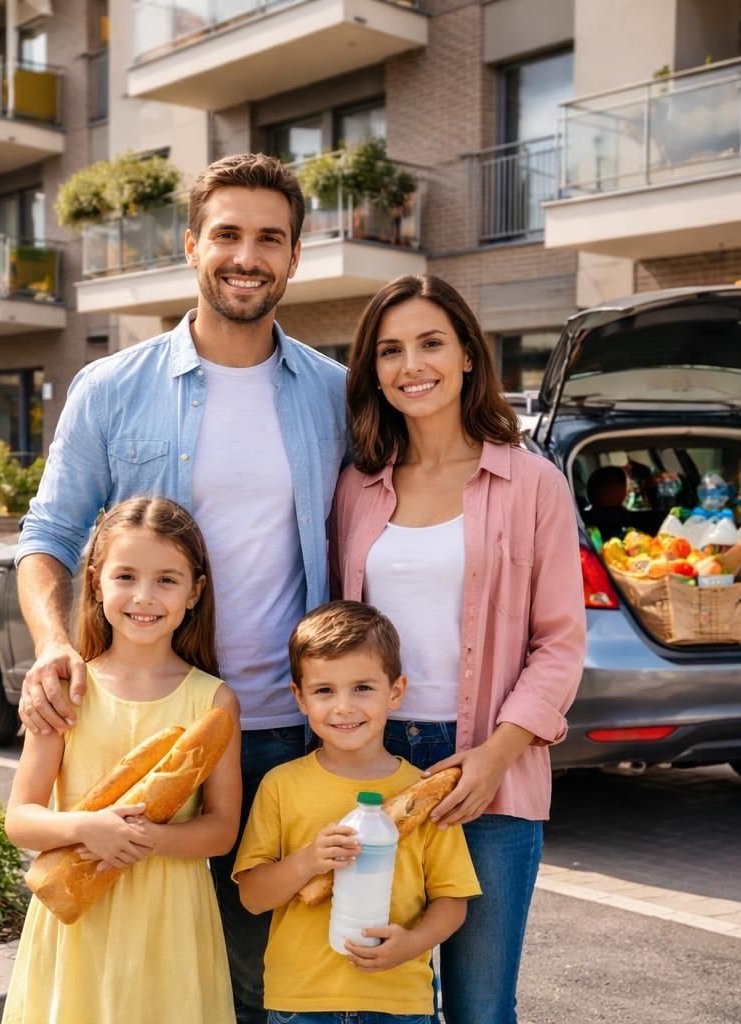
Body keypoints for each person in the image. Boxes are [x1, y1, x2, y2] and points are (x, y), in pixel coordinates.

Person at [14, 153, 348, 1023]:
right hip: (145, 735)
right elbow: (48, 538)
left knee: (268, 985)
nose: (247, 256)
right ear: (192, 245)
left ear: (296, 255)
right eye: (227, 234)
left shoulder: (334, 395)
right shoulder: (110, 388)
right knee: (139, 969)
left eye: (270, 238)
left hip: (287, 732)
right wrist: (53, 646)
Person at [329, 273, 586, 1024]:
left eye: (431, 343)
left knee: (480, 1005)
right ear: (373, 369)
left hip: (490, 770)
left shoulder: (533, 483)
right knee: (382, 997)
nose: (412, 365)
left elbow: (561, 642)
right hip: (375, 769)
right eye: (390, 350)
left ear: (468, 354)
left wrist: (496, 757)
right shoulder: (356, 486)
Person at [3, 497, 242, 1024]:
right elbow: (20, 818)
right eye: (126, 576)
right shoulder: (66, 690)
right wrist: (88, 828)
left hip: (169, 921)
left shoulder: (213, 701)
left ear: (195, 591)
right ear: (95, 582)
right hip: (78, 923)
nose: (144, 596)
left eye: (166, 580)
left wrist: (143, 839)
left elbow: (222, 829)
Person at [234, 601, 481, 1024]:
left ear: (395, 691)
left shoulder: (421, 792)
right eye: (324, 691)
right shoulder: (281, 786)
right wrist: (308, 861)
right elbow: (253, 898)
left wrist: (413, 943)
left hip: (398, 1002)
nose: (344, 707)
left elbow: (452, 898)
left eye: (363, 688)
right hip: (302, 1003)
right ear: (299, 697)